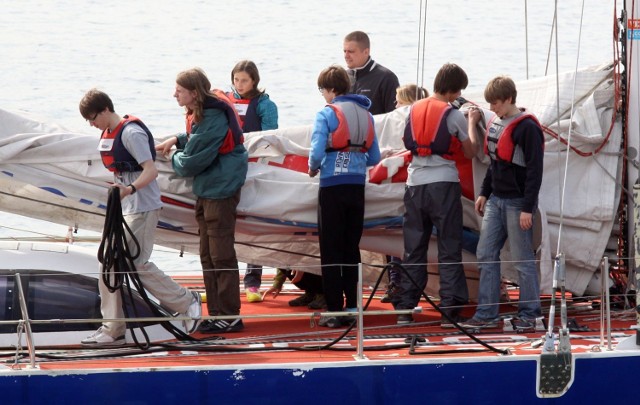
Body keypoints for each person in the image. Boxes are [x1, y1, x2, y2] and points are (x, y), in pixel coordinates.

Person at [78, 89, 201, 346]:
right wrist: (119, 189)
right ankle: (113, 329)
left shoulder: (131, 133)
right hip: (126, 207)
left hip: (143, 207)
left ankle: (186, 300)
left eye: (92, 118)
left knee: (136, 263)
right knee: (109, 264)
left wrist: (129, 190)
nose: (91, 124)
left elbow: (151, 171)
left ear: (104, 110)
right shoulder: (109, 134)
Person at [156, 67, 248, 334]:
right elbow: (195, 137)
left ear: (194, 93)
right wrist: (177, 138)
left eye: (179, 90)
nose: (174, 94)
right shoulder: (205, 114)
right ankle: (217, 312)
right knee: (208, 254)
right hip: (209, 189)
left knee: (221, 254)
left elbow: (189, 164)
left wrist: (171, 155)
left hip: (220, 190)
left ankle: (229, 314)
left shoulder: (214, 117)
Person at [391, 63, 480, 327]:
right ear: (454, 89)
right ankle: (450, 309)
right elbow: (471, 151)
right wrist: (472, 122)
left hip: (415, 185)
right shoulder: (453, 115)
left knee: (413, 249)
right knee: (449, 247)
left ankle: (405, 308)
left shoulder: (413, 109)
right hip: (443, 184)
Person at [461, 76, 544, 330]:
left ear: (509, 99)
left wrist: (528, 208)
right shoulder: (497, 122)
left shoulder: (527, 128)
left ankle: (531, 313)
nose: (492, 108)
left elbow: (534, 171)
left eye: (495, 103)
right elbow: (495, 163)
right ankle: (486, 313)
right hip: (496, 200)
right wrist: (484, 193)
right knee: (486, 253)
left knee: (522, 259)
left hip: (518, 202)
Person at [308, 65, 381, 328]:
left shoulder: (327, 114)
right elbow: (375, 157)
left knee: (331, 249)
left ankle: (334, 310)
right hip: (356, 188)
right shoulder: (366, 114)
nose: (323, 95)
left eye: (322, 90)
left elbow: (316, 151)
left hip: (331, 187)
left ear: (330, 90)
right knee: (351, 248)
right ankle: (352, 305)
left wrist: (313, 167)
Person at [227, 60, 279, 304]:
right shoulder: (224, 101)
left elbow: (271, 137)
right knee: (226, 228)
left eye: (244, 80)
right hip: (228, 168)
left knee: (252, 226)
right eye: (236, 80)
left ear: (254, 81)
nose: (239, 85)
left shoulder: (265, 105)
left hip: (255, 169)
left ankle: (252, 282)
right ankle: (224, 282)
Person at [380, 83, 430, 304]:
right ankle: (397, 282)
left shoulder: (403, 120)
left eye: (399, 101)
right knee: (398, 241)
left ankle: (398, 283)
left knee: (399, 240)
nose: (395, 105)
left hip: (402, 189)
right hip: (406, 187)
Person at [343, 30, 400, 115]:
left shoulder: (387, 78)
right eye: (344, 51)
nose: (346, 56)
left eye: (351, 51)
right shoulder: (343, 77)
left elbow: (395, 116)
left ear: (366, 52)